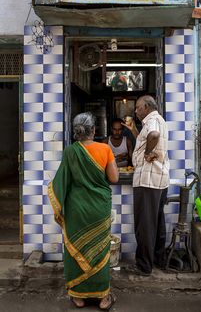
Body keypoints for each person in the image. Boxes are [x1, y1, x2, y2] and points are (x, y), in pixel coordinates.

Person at [47, 112, 119, 310]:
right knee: (100, 251)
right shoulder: (105, 149)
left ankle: (78, 296)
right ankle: (104, 297)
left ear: (77, 132)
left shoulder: (70, 151)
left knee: (76, 249)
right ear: (93, 131)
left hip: (76, 209)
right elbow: (113, 178)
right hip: (98, 208)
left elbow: (61, 181)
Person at [123, 95, 170, 276]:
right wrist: (134, 130)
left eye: (138, 107)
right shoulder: (158, 120)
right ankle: (158, 259)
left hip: (148, 180)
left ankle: (143, 266)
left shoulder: (152, 120)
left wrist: (148, 153)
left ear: (147, 107)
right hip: (158, 180)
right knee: (157, 223)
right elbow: (144, 143)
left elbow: (154, 136)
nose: (135, 111)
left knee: (145, 225)